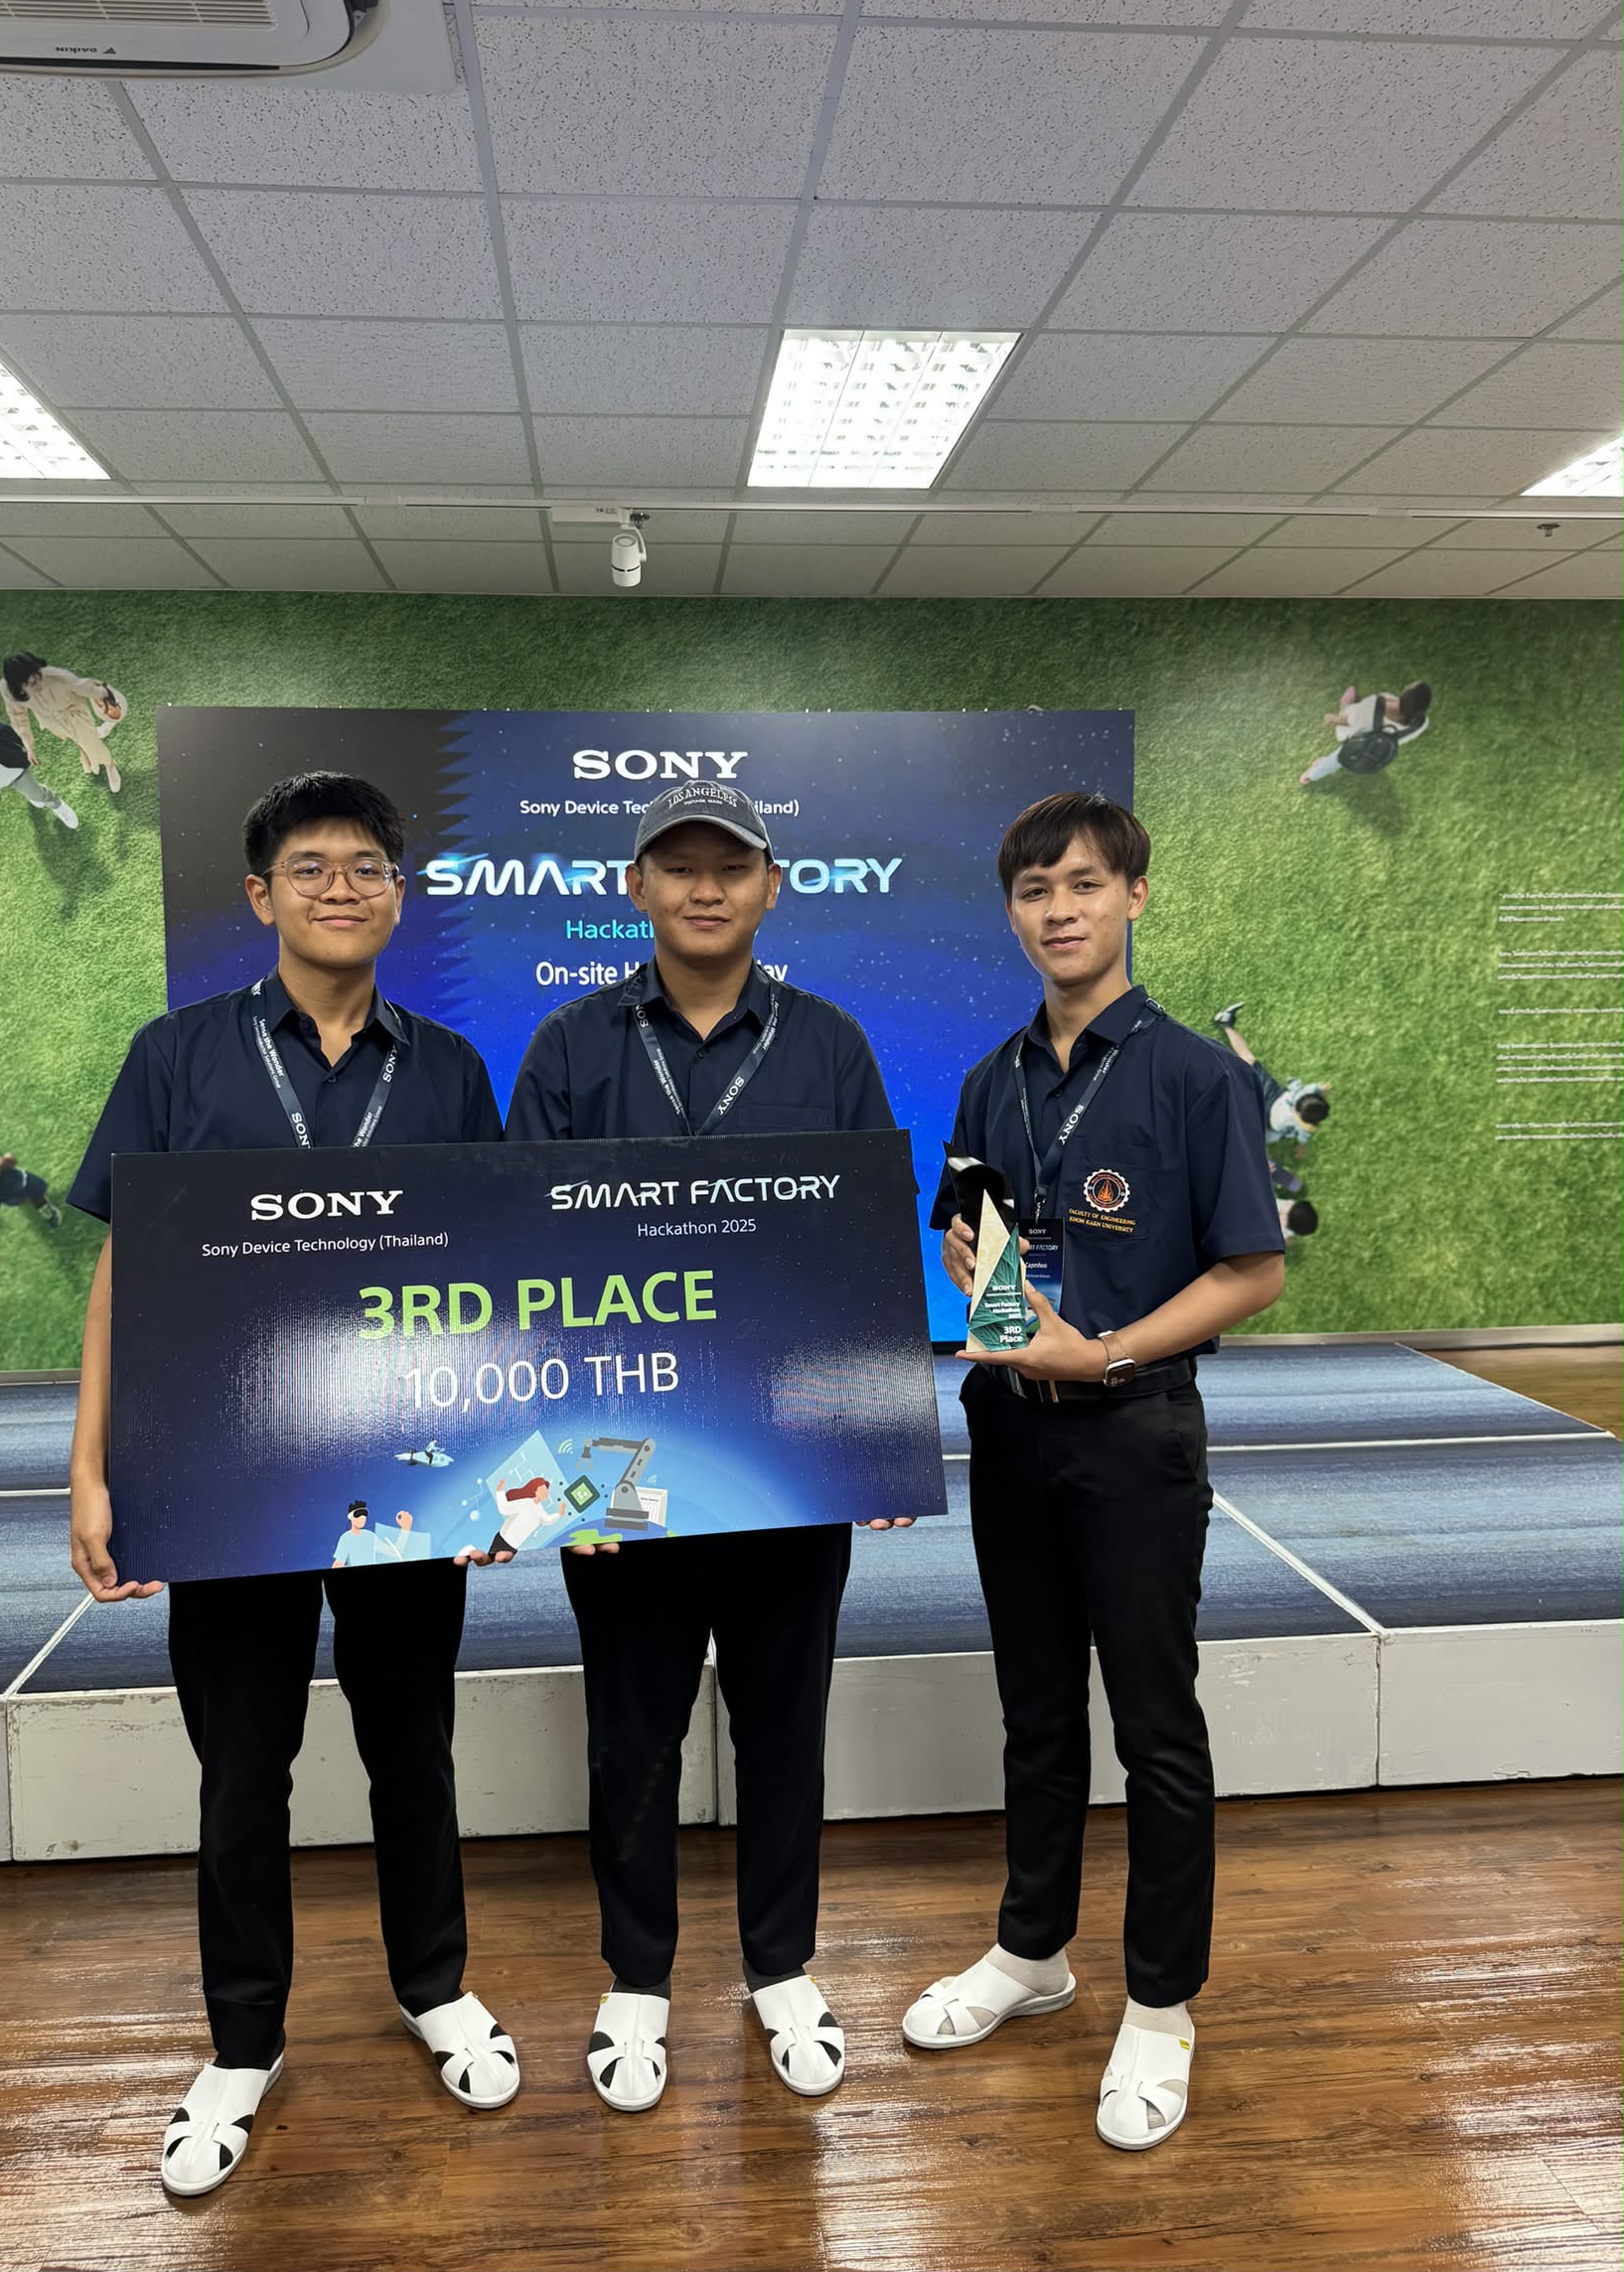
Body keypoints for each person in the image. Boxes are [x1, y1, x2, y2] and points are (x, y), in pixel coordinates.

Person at [66, 770, 516, 2199]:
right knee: (243, 1768)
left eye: (367, 866)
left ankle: (434, 1984)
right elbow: (123, 1271)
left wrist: (501, 1479)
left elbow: (490, 1287)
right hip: (222, 1475)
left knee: (412, 1749)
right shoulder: (178, 1055)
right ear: (261, 896)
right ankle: (242, 2041)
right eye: (310, 868)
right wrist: (90, 1470)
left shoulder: (448, 1069)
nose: (341, 888)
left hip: (408, 1472)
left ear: (399, 895)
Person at [506, 780, 908, 2115]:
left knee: (784, 1722)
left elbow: (867, 1243)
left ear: (768, 888)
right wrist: (556, 1475)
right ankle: (636, 1977)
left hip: (789, 1457)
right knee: (631, 1732)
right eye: (675, 866)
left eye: (729, 866)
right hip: (617, 1455)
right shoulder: (570, 1047)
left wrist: (877, 1433)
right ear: (636, 889)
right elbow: (522, 1260)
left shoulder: (829, 1044)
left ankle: (780, 1965)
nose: (703, 887)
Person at [902, 791, 1283, 2154]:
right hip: (1011, 1427)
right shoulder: (990, 1076)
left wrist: (1102, 1351)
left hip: (1133, 1433)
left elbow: (1252, 1270)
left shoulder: (1193, 1076)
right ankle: (1032, 1952)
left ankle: (1161, 2007)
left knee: (1154, 1728)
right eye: (1032, 890)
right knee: (1034, 1714)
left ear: (1133, 895)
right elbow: (967, 1230)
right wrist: (975, 1271)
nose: (1056, 910)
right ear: (1010, 912)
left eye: (1080, 884)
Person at [0, 653, 128, 793]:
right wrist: (28, 746)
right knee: (78, 738)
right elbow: (17, 717)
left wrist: (104, 694)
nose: (36, 686)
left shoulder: (54, 675)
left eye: (35, 680)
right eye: (29, 684)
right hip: (50, 721)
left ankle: (109, 764)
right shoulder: (8, 689)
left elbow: (82, 686)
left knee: (91, 742)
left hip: (73, 712)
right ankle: (90, 744)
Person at [1211, 1003, 1330, 1149]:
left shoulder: (1304, 1121)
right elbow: (1310, 1093)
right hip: (1273, 1095)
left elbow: (1310, 1095)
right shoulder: (1304, 1114)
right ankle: (1226, 1023)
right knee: (1249, 1060)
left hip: (1266, 1122)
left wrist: (1301, 1146)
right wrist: (1319, 1088)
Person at [1299, 681, 1430, 786]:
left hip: (1355, 738)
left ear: (1405, 694)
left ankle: (1311, 775)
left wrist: (1331, 719)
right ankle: (1312, 774)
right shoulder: (1421, 724)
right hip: (1378, 749)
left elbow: (1348, 721)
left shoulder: (1374, 705)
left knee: (1338, 757)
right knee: (1337, 759)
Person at [485, 1474, 567, 1561]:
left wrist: (559, 1514)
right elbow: (505, 1508)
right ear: (535, 1490)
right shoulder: (525, 1502)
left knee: (499, 1561)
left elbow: (547, 1520)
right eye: (543, 1489)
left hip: (514, 1545)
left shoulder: (540, 1509)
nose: (546, 1492)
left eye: (546, 1490)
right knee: (490, 1560)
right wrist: (500, 1492)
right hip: (503, 1539)